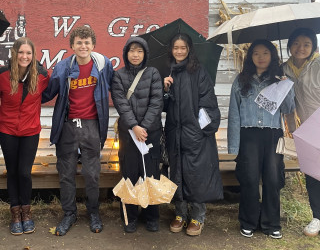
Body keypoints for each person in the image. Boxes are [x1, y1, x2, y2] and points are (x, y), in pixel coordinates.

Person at [42, 25, 114, 236]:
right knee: (66, 173)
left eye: (87, 42)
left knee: (92, 174)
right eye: (79, 42)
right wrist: (31, 78)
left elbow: (117, 87)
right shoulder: (63, 67)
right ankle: (69, 213)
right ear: (72, 45)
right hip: (69, 125)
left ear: (93, 45)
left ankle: (93, 212)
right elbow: (47, 93)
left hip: (93, 124)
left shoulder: (103, 65)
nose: (83, 46)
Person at [228, 39, 295, 240]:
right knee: (248, 178)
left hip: (273, 134)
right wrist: (234, 144)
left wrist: (286, 87)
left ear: (272, 56)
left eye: (265, 53)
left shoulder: (278, 80)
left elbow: (289, 109)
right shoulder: (240, 80)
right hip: (248, 134)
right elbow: (234, 113)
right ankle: (248, 221)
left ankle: (271, 223)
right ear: (250, 57)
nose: (261, 57)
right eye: (256, 53)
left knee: (273, 179)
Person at [162, 33, 222, 236]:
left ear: (189, 50)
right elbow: (161, 106)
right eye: (175, 48)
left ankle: (198, 216)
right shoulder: (168, 72)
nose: (179, 51)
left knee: (196, 173)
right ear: (171, 50)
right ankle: (180, 213)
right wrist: (165, 89)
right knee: (176, 172)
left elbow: (208, 102)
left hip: (194, 134)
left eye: (183, 48)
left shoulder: (199, 72)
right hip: (174, 132)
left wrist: (198, 128)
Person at [0, 37, 49, 235]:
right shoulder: (2, 75)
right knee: (13, 171)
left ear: (33, 56)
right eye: (21, 52)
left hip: (30, 131)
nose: (24, 56)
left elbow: (47, 94)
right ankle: (15, 213)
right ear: (14, 53)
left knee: (25, 172)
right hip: (7, 130)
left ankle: (26, 212)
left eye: (28, 53)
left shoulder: (41, 75)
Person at [282, 28, 320, 240]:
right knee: (313, 175)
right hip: (304, 131)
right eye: (296, 43)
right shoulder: (285, 69)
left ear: (313, 46)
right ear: (290, 45)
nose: (300, 48)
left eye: (306, 44)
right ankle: (317, 217)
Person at [111, 36, 163, 233]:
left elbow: (157, 101)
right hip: (129, 135)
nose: (135, 54)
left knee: (151, 175)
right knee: (130, 175)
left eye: (139, 51)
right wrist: (134, 126)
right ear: (126, 53)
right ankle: (130, 216)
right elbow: (120, 103)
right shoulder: (119, 75)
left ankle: (151, 216)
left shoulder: (153, 73)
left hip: (151, 134)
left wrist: (145, 127)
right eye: (132, 50)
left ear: (145, 54)